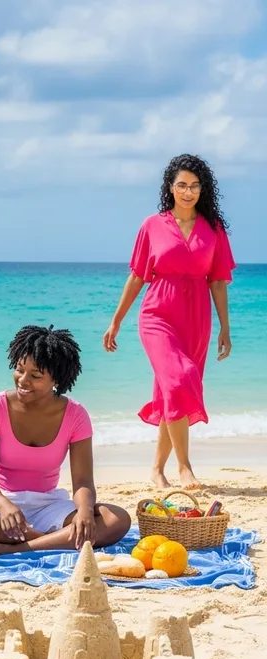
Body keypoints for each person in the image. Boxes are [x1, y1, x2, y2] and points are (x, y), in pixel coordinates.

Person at [103, 154, 235, 489]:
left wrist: (225, 327)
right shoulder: (152, 225)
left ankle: (156, 470)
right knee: (179, 380)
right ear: (170, 188)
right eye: (181, 185)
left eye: (194, 186)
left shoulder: (214, 229)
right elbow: (137, 277)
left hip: (197, 318)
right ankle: (184, 466)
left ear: (203, 189)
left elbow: (217, 281)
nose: (188, 192)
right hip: (158, 312)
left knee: (169, 392)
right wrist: (116, 320)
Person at [0, 326, 131, 556]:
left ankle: (16, 547)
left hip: (48, 505)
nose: (23, 380)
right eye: (20, 370)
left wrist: (84, 510)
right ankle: (49, 541)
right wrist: (4, 506)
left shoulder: (75, 415)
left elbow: (82, 481)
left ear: (56, 379)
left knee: (118, 518)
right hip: (0, 502)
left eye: (35, 375)